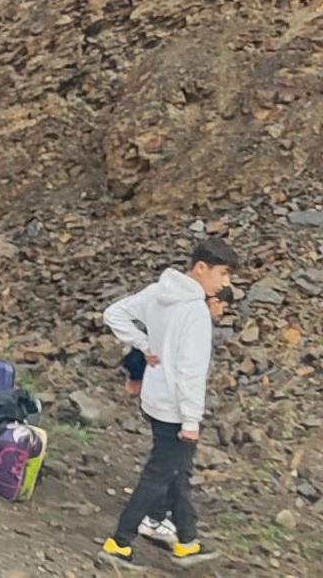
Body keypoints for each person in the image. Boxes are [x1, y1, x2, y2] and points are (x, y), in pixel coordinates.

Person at [98, 237, 239, 569]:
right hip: (177, 407)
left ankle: (186, 541)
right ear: (201, 267)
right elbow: (191, 372)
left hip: (154, 399)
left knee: (177, 470)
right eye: (223, 274)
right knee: (160, 473)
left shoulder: (158, 292)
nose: (225, 283)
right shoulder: (195, 313)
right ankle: (119, 542)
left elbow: (113, 313)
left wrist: (144, 344)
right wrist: (192, 422)